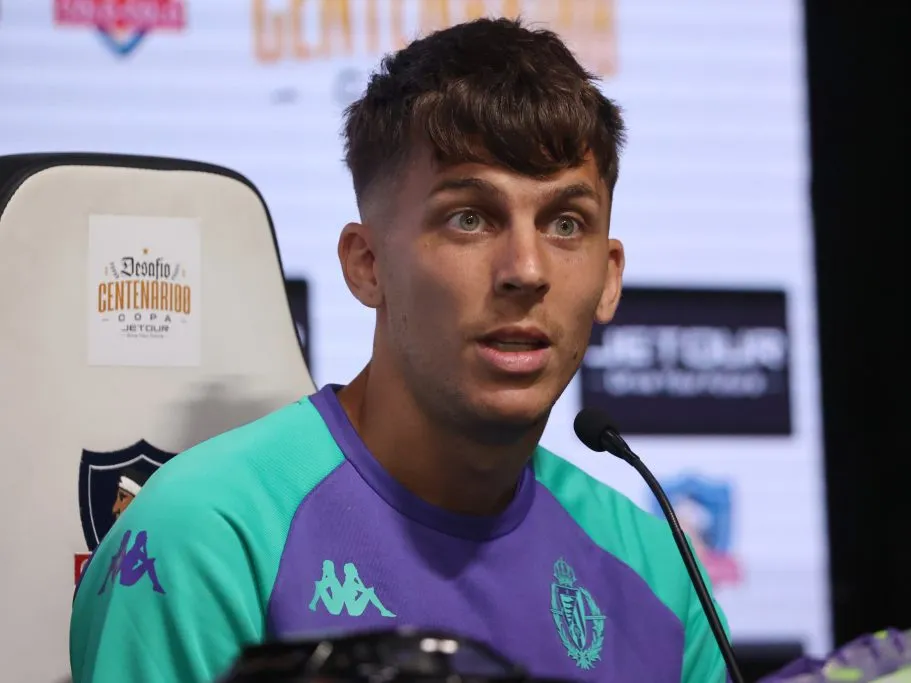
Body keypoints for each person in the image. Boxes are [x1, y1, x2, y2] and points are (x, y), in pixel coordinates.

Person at [70, 17, 730, 683]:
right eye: (469, 217)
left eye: (565, 223)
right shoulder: (207, 537)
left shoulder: (660, 574)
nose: (527, 269)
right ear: (367, 264)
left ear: (609, 276)